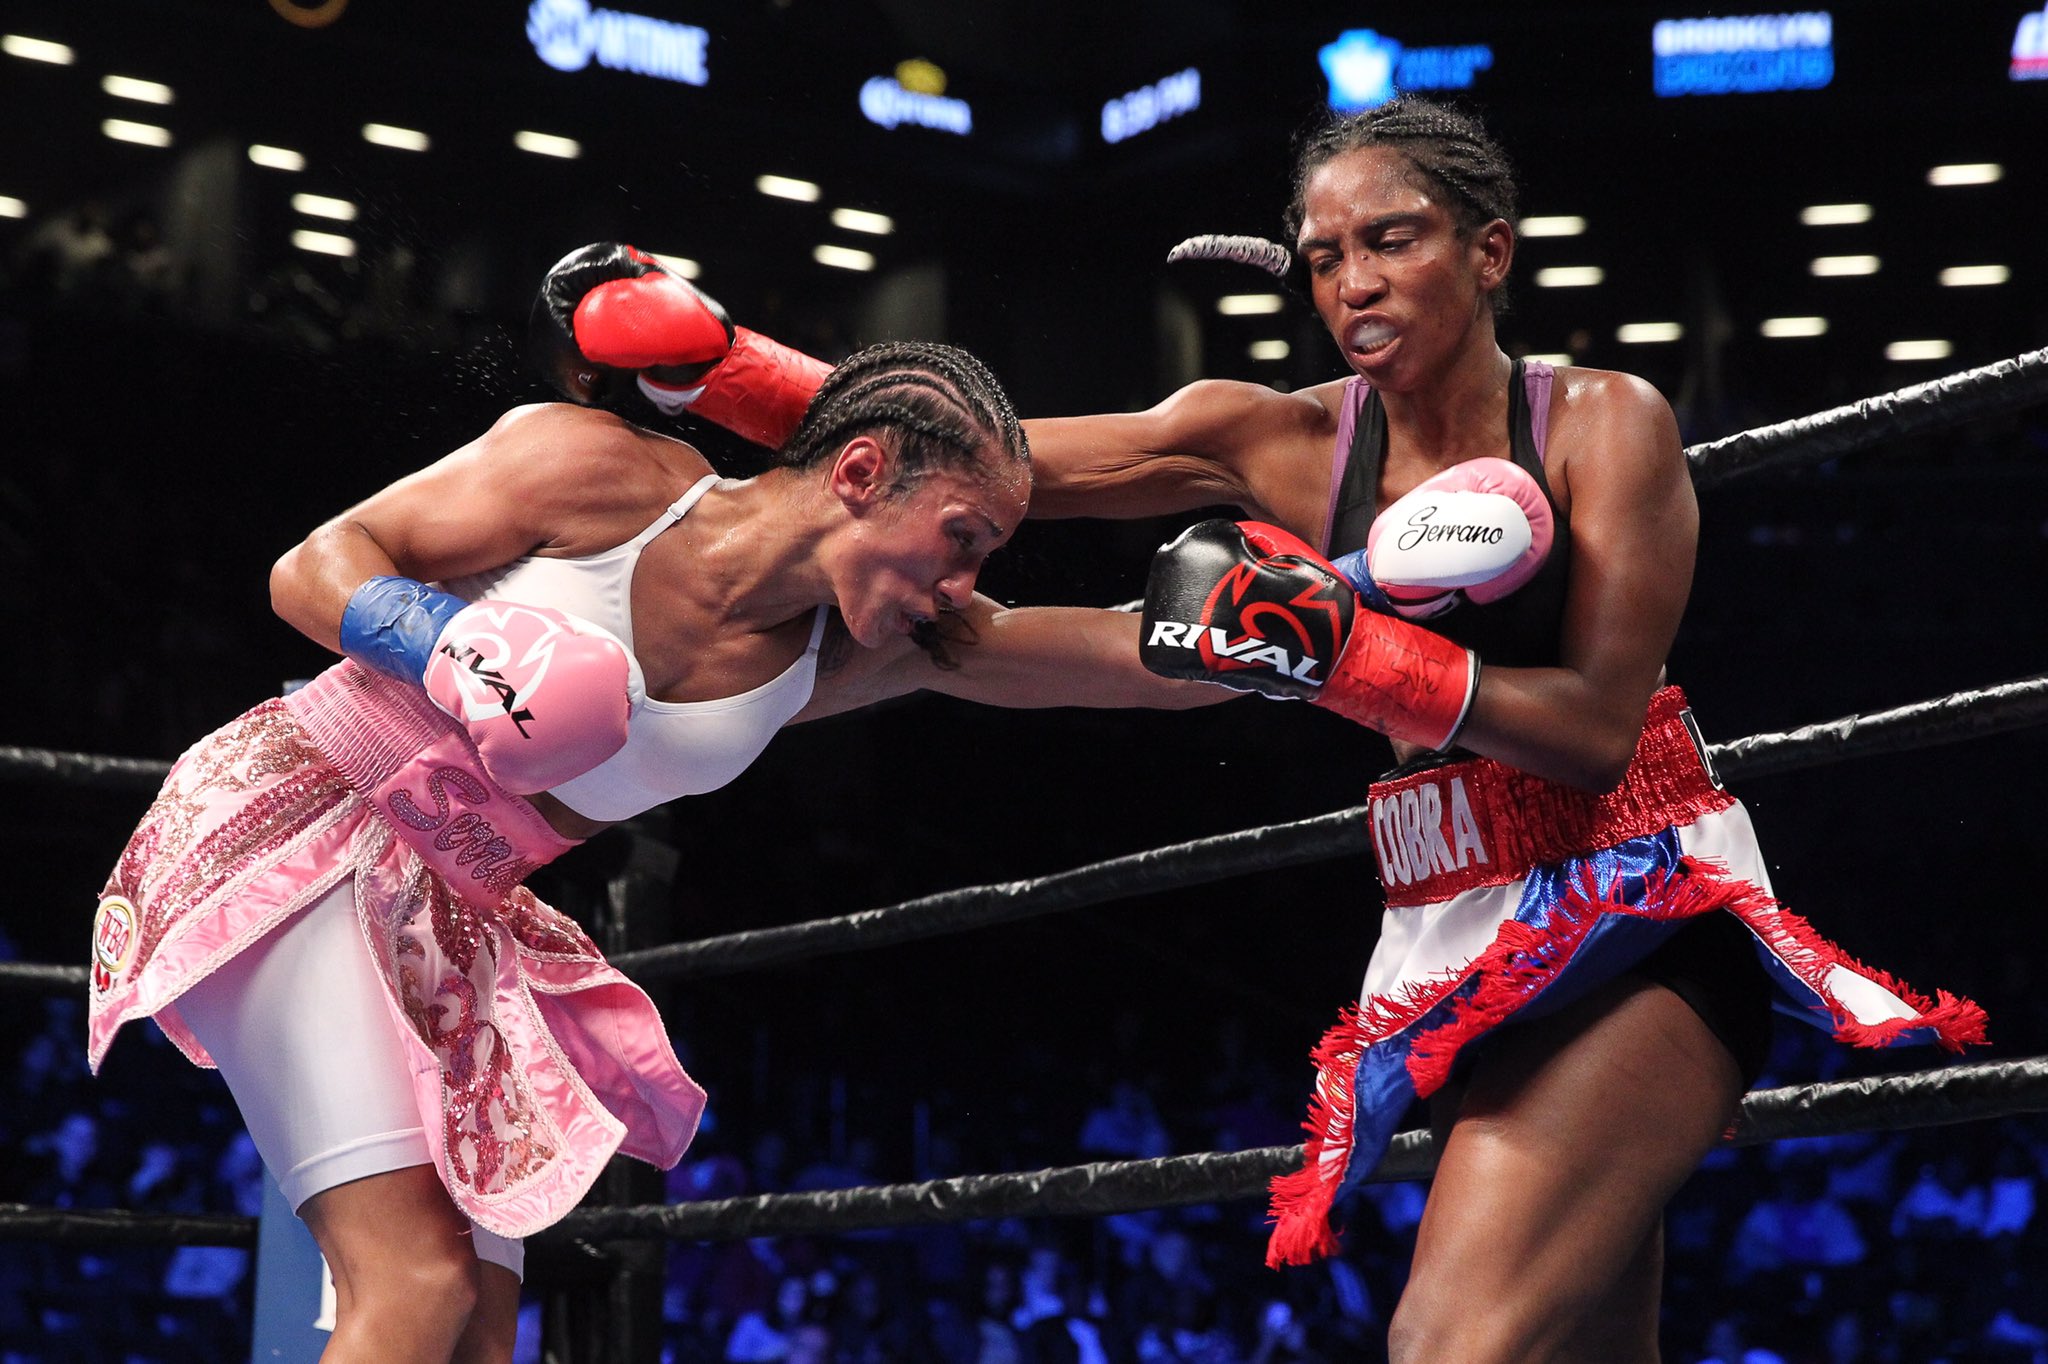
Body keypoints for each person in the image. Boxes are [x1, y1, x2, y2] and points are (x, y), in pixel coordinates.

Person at [537, 97, 1988, 1362]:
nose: (1352, 282)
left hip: (1644, 906)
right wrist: (723, 367)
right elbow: (995, 458)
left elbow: (1595, 731)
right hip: (1452, 929)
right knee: (1589, 1347)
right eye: (1324, 257)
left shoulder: (1603, 426)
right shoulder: (1282, 439)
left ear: (1489, 250)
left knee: (1452, 1343)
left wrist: (1346, 652)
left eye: (1394, 240)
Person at [85, 339, 1215, 1364]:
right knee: (416, 1280)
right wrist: (449, 643)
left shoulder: (849, 652)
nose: (962, 579)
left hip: (449, 908)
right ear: (861, 473)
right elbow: (313, 565)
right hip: (301, 823)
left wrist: (1307, 627)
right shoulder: (596, 471)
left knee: (480, 1318)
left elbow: (1110, 656)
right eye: (960, 537)